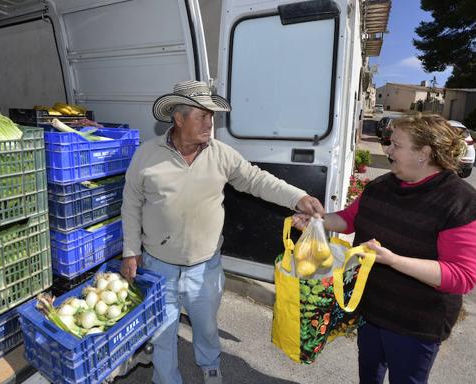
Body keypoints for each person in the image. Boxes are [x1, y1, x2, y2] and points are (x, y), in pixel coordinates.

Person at [121, 80, 324, 384]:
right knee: (163, 331)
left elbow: (258, 180)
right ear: (178, 118)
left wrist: (299, 197)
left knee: (205, 327)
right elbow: (131, 204)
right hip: (159, 265)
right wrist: (130, 251)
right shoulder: (146, 155)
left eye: (212, 116)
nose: (209, 123)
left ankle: (210, 364)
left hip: (204, 266)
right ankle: (166, 379)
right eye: (202, 116)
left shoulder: (221, 154)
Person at [293, 114, 476, 384]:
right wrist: (317, 222)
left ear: (423, 153)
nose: (387, 150)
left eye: (396, 145)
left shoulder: (464, 206)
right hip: (372, 310)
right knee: (369, 374)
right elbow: (351, 219)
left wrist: (393, 260)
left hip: (416, 324)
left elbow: (461, 276)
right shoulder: (381, 186)